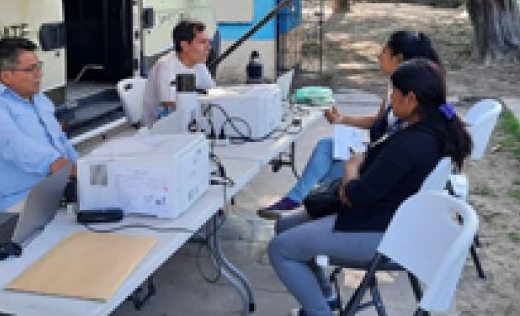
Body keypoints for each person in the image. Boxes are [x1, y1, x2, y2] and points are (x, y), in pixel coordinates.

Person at [268, 58, 472, 316]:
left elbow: (355, 195)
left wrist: (351, 168)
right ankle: (327, 297)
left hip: (380, 231)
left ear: (411, 99)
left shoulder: (411, 144)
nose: (390, 98)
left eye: (393, 93)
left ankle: (319, 312)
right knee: (283, 226)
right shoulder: (432, 129)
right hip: (388, 216)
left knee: (281, 249)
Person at [258, 31, 441, 219]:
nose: (379, 57)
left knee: (328, 172)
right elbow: (380, 121)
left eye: (384, 52)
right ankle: (298, 200)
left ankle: (305, 203)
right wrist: (343, 119)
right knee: (326, 146)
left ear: (399, 58)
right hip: (373, 155)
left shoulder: (412, 106)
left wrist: (357, 164)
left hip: (376, 168)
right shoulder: (397, 91)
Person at [0, 37, 78, 211]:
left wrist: (83, 169)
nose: (39, 74)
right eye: (31, 69)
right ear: (6, 76)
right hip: (22, 202)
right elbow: (14, 145)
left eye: (39, 66)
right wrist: (59, 166)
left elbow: (60, 141)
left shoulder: (39, 99)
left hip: (58, 190)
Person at [141, 20, 216, 127]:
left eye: (208, 42)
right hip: (160, 129)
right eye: (202, 42)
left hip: (190, 122)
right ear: (184, 45)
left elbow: (212, 93)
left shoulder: (199, 64)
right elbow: (170, 106)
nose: (209, 47)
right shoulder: (165, 66)